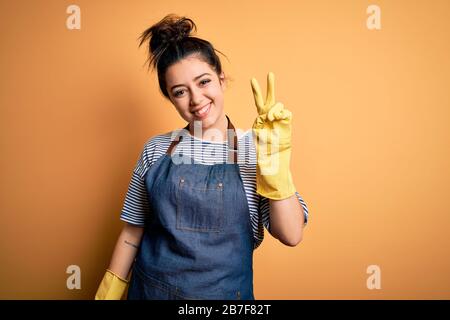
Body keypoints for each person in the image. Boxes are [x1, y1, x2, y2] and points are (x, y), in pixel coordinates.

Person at [95, 14, 309, 300]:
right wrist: (107, 295)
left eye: (204, 81)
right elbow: (131, 236)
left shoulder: (257, 148)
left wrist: (275, 164)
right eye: (180, 92)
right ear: (171, 98)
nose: (196, 100)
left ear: (221, 79)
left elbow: (292, 234)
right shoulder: (155, 150)